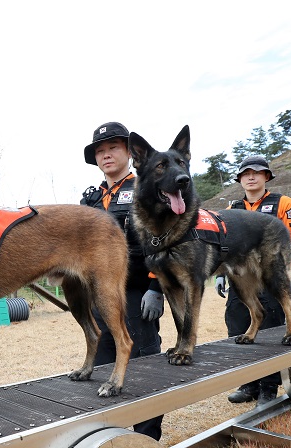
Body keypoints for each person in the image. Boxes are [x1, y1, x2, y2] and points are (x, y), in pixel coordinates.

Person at [81, 122, 164, 440]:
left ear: (129, 152)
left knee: (143, 368)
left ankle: (146, 439)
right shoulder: (90, 199)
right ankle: (111, 439)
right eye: (100, 151)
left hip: (137, 292)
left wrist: (156, 287)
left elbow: (162, 240)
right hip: (100, 297)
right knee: (102, 368)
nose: (106, 155)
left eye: (113, 148)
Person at [216, 155, 291, 406]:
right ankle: (249, 383)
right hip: (240, 274)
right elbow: (222, 244)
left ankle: (268, 387)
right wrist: (221, 273)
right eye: (246, 173)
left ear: (266, 176)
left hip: (271, 271)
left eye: (257, 172)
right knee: (236, 321)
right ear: (240, 179)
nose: (251, 177)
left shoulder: (284, 203)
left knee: (273, 325)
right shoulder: (232, 210)